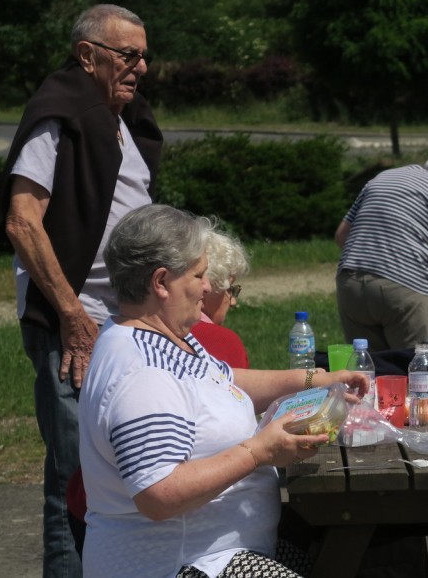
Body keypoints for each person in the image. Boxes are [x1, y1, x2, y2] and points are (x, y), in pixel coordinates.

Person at [79, 204, 368, 578]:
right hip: (181, 565)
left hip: (220, 553)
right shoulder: (144, 373)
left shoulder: (165, 336)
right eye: (198, 275)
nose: (207, 287)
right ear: (161, 282)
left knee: (360, 559)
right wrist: (258, 452)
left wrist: (315, 380)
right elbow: (158, 494)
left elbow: (225, 381)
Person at [0, 3, 162, 577]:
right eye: (128, 55)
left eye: (145, 56)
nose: (141, 67)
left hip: (128, 326)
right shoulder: (59, 113)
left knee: (126, 468)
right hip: (74, 328)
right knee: (76, 481)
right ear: (87, 55)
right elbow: (22, 221)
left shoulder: (126, 121)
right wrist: (72, 315)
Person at [335, 151, 428, 351]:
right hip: (403, 287)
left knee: (367, 365)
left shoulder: (382, 178)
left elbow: (342, 236)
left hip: (350, 283)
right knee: (416, 364)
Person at [191, 227, 251, 369]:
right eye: (229, 290)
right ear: (205, 290)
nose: (233, 301)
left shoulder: (150, 328)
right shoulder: (224, 341)